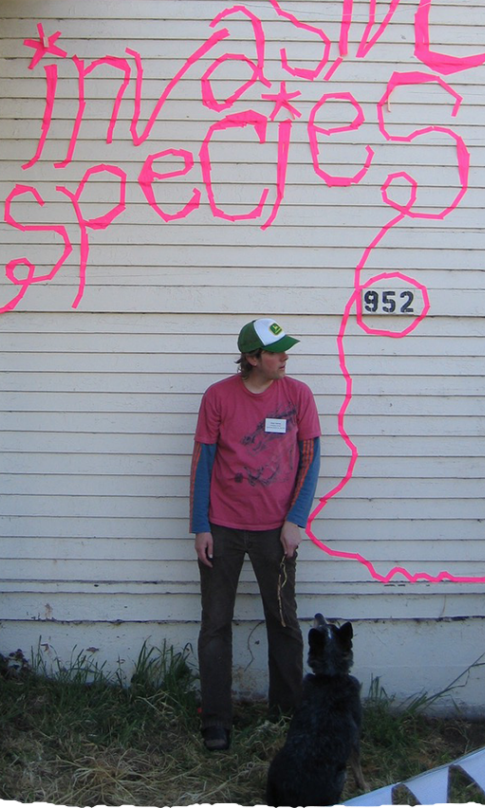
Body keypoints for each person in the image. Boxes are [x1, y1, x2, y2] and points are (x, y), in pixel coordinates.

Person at [189, 318, 322, 751]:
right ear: (251, 358)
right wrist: (201, 526)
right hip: (223, 529)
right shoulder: (218, 396)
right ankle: (216, 721)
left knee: (284, 622)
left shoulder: (298, 395)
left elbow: (311, 459)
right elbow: (203, 462)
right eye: (276, 350)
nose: (285, 357)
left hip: (276, 531)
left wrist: (296, 519)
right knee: (215, 625)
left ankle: (285, 715)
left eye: (285, 350)